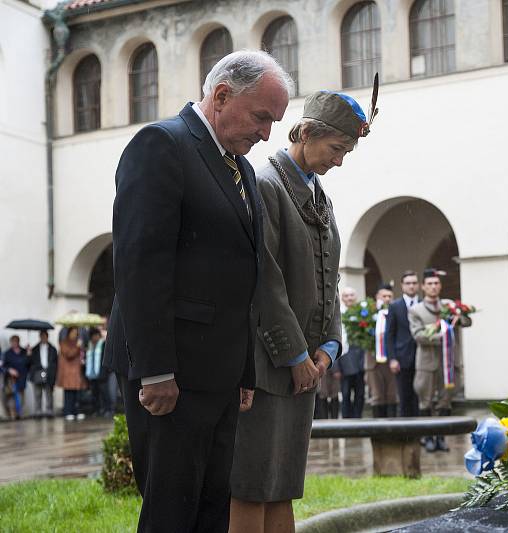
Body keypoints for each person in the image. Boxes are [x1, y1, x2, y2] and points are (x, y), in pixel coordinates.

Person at [103, 50, 290, 533]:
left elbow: (239, 279)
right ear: (222, 95)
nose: (267, 133)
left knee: (211, 510)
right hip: (173, 375)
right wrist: (155, 370)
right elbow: (140, 266)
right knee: (171, 512)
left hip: (221, 375)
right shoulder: (162, 145)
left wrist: (244, 370)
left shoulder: (240, 168)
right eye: (262, 117)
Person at [230, 87, 376, 533]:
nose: (340, 161)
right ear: (307, 132)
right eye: (336, 149)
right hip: (269, 365)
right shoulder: (264, 184)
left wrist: (328, 347)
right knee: (252, 484)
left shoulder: (319, 196)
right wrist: (295, 356)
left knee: (284, 484)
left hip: (305, 369)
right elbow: (264, 280)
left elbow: (328, 277)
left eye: (346, 152)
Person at [409, 268, 472, 452]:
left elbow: (468, 322)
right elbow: (418, 335)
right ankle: (428, 437)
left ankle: (441, 438)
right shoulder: (416, 310)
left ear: (440, 286)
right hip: (427, 363)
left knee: (446, 400)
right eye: (429, 284)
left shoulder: (448, 306)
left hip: (449, 362)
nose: (433, 287)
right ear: (423, 287)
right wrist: (443, 335)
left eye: (436, 283)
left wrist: (459, 316)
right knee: (425, 400)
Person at [385, 270, 420, 417]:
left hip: (421, 357)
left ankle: (422, 433)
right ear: (402, 286)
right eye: (408, 283)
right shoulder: (395, 306)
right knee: (405, 396)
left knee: (420, 396)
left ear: (418, 285)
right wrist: (392, 358)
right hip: (402, 358)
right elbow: (389, 334)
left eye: (414, 283)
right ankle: (407, 435)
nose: (411, 286)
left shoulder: (424, 304)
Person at [366, 283, 399, 417]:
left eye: (389, 296)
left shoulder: (396, 311)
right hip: (373, 362)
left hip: (391, 360)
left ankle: (392, 432)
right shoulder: (367, 312)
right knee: (377, 396)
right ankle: (377, 436)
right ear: (377, 296)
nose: (386, 299)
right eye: (383, 296)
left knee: (392, 395)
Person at [334, 286, 366, 419]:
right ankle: (347, 422)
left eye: (351, 295)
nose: (349, 298)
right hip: (344, 361)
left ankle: (358, 420)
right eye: (346, 296)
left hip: (361, 361)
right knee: (346, 394)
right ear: (342, 298)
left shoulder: (363, 314)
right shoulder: (338, 315)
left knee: (360, 394)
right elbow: (334, 340)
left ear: (356, 297)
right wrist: (335, 367)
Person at [57, 327, 85, 421]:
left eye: (76, 333)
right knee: (69, 393)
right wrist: (77, 347)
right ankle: (68, 411)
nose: (75, 334)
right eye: (73, 332)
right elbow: (69, 354)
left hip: (77, 371)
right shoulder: (64, 342)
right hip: (68, 372)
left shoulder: (78, 342)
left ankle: (77, 411)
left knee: (78, 393)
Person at [29, 330, 58, 417]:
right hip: (38, 372)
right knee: (37, 393)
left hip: (49, 372)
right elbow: (30, 362)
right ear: (40, 337)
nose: (43, 338)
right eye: (42, 336)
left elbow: (55, 362)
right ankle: (38, 411)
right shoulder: (34, 349)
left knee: (49, 392)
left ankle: (49, 410)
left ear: (47, 337)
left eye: (45, 336)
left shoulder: (53, 349)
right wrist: (29, 354)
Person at [1, 335, 31, 419]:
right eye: (12, 341)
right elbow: (3, 366)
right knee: (12, 397)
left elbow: (28, 364)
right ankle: (12, 414)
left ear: (18, 342)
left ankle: (20, 414)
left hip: (22, 378)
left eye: (16, 341)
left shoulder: (24, 352)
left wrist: (29, 355)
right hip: (11, 380)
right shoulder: (7, 353)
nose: (14, 343)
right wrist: (10, 370)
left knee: (21, 398)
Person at [85, 328, 111, 417]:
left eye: (96, 335)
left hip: (102, 374)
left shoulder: (103, 344)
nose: (95, 338)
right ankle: (97, 410)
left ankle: (108, 409)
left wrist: (106, 371)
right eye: (93, 336)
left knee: (104, 393)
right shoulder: (90, 346)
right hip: (92, 375)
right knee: (95, 394)